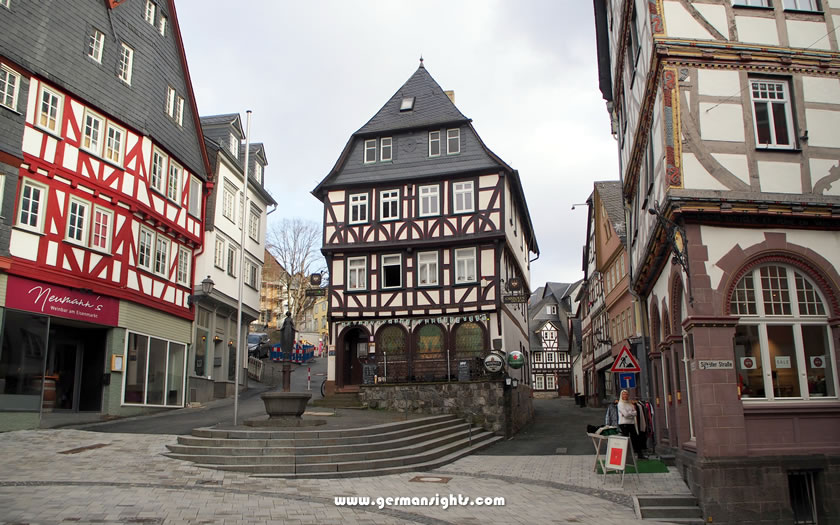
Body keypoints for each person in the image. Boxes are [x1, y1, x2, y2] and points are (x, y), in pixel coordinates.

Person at [617, 389, 646, 459]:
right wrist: (631, 414)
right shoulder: (620, 404)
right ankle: (625, 456)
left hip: (631, 423)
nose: (625, 396)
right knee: (626, 439)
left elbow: (635, 412)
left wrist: (630, 414)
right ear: (621, 395)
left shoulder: (630, 404)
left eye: (626, 394)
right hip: (624, 424)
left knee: (636, 438)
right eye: (624, 394)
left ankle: (640, 454)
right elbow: (625, 414)